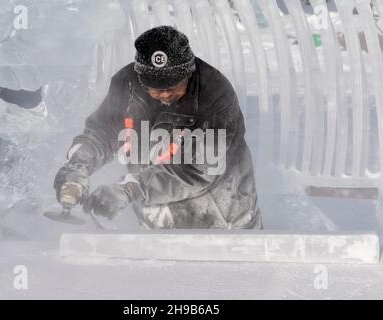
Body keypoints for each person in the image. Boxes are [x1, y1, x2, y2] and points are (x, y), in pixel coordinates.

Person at [54, 26, 262, 229]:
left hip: (223, 222)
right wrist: (77, 167)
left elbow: (201, 170)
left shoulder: (215, 93)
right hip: (157, 223)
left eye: (172, 86)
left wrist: (131, 188)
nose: (164, 94)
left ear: (188, 73)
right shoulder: (126, 85)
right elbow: (101, 134)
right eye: (154, 88)